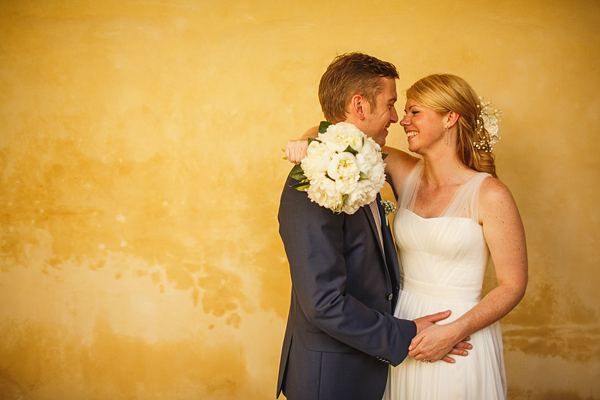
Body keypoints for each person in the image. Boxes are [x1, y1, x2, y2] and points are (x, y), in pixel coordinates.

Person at [285, 73, 528, 399]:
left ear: (449, 118)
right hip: (403, 327)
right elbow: (342, 136)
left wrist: (452, 332)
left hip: (459, 332)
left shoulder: (490, 194)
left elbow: (513, 285)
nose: (402, 120)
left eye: (415, 112)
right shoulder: (402, 171)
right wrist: (306, 139)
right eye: (401, 109)